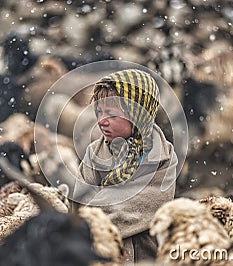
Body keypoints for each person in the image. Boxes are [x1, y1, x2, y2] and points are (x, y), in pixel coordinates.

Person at [72, 69, 178, 264]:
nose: (102, 121)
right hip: (99, 251)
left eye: (111, 114)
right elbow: (80, 202)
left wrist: (97, 216)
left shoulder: (162, 156)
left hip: (148, 253)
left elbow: (144, 204)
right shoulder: (94, 153)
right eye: (99, 112)